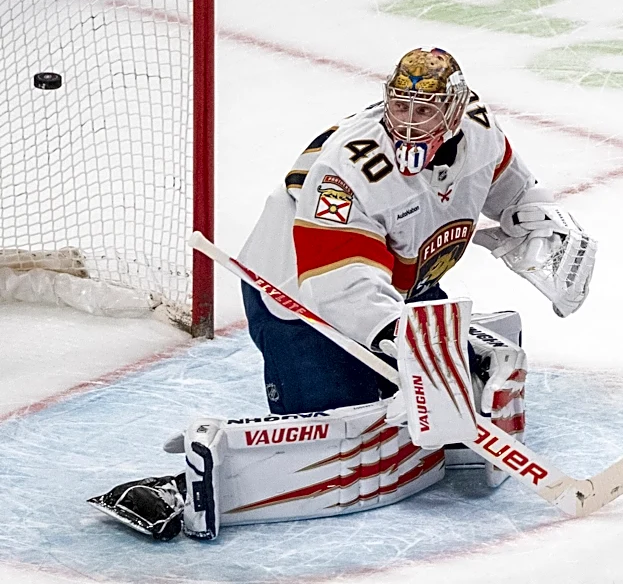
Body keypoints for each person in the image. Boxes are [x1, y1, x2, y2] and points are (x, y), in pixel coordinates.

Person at [88, 48, 596, 541]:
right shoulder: (348, 171)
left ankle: (449, 361)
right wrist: (404, 345)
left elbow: (513, 189)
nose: (410, 122)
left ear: (457, 109)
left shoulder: (479, 130)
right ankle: (184, 489)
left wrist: (539, 225)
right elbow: (339, 285)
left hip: (404, 281)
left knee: (441, 392)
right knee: (351, 422)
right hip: (301, 300)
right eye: (401, 105)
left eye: (426, 109)